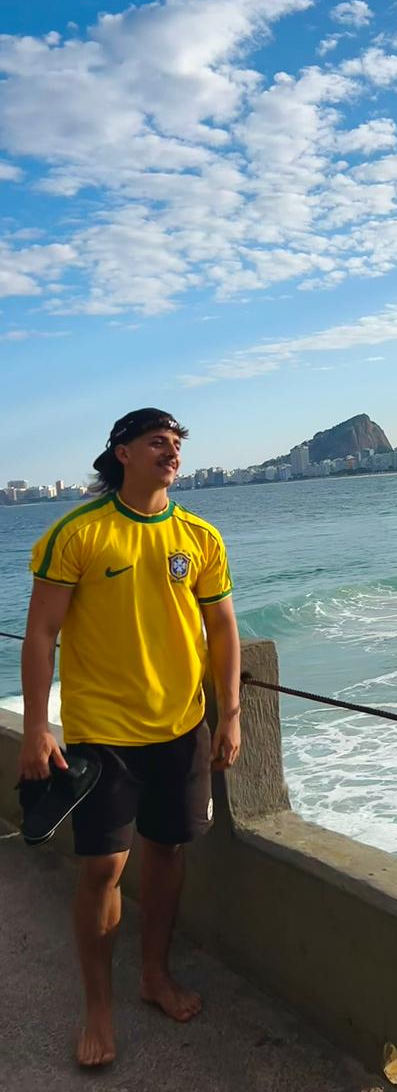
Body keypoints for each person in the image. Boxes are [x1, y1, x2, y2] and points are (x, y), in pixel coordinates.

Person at [17, 408, 241, 1070]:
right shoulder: (78, 533)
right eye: (156, 442)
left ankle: (154, 975)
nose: (171, 453)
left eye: (176, 444)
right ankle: (98, 1009)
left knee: (169, 853)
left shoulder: (199, 535)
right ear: (121, 453)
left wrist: (228, 714)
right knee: (103, 869)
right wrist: (36, 727)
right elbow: (40, 635)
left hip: (179, 728)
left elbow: (224, 629)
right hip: (102, 735)